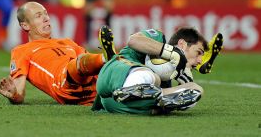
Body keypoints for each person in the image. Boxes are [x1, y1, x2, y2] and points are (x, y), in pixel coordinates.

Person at [0, 1, 116, 105]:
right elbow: (19, 93)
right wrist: (14, 95)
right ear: (25, 25)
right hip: (65, 87)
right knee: (78, 62)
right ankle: (107, 59)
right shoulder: (21, 51)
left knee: (127, 51)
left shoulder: (67, 42)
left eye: (46, 14)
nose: (46, 18)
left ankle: (114, 64)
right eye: (38, 16)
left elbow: (91, 64)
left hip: (95, 91)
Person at [92, 26, 223, 115]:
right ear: (182, 44)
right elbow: (133, 40)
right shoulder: (158, 37)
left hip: (116, 104)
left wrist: (185, 75)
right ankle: (132, 88)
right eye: (198, 53)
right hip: (115, 74)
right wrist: (171, 52)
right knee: (153, 77)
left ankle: (153, 97)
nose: (199, 60)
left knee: (196, 89)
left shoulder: (169, 77)